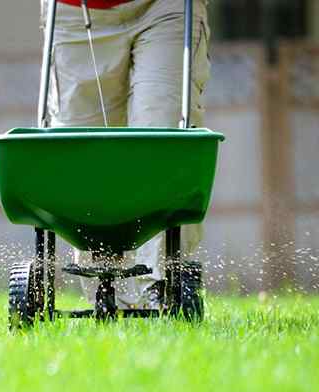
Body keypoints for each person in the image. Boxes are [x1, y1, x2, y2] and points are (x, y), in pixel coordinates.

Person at [41, 0, 210, 309]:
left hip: (166, 7)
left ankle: (163, 285)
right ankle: (107, 292)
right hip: (76, 11)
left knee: (164, 133)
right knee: (84, 155)